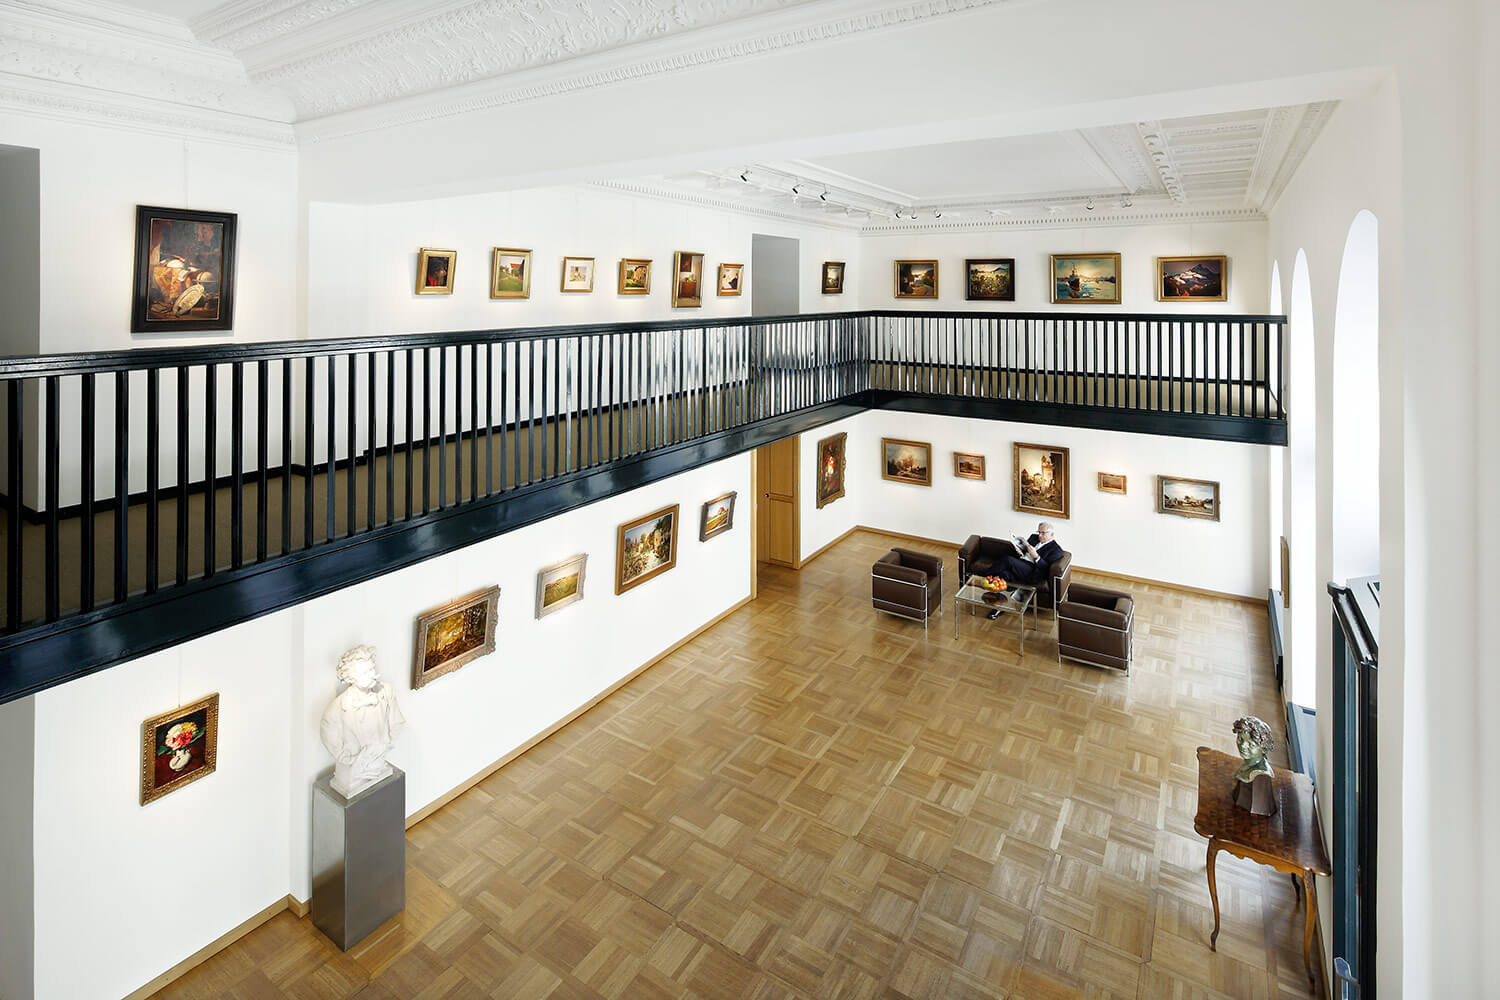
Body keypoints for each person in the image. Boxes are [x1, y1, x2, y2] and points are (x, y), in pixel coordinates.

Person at [320, 645, 405, 798]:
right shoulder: (334, 714)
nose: (374, 675)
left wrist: (384, 745)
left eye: (372, 669)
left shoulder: (386, 693)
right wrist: (355, 760)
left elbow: (396, 724)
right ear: (350, 678)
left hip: (380, 764)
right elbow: (337, 749)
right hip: (351, 776)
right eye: (365, 672)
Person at [985, 522, 1064, 618]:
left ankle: (983, 576)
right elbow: (1025, 552)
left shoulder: (1056, 550)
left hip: (1033, 571)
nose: (1039, 535)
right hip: (1022, 563)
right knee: (1005, 574)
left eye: (1043, 533)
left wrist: (1036, 557)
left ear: (1051, 534)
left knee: (1007, 560)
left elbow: (1046, 569)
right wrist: (1020, 551)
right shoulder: (1034, 538)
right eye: (1039, 532)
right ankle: (1000, 607)